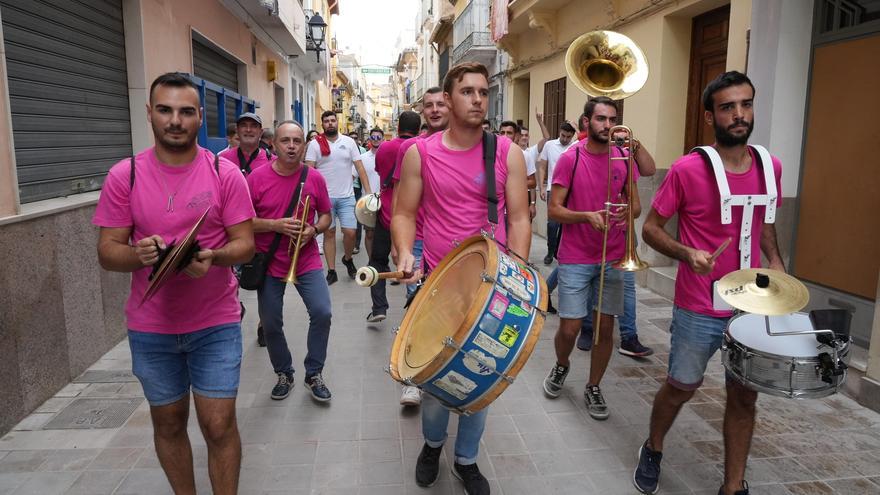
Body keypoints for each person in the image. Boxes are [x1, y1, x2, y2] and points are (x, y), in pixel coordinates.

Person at [93, 73, 255, 494]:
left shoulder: (226, 173)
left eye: (186, 111)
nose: (175, 120)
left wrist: (213, 257)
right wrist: (138, 254)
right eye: (165, 110)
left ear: (201, 117)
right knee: (167, 423)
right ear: (150, 114)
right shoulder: (123, 176)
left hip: (215, 323)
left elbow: (246, 245)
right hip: (151, 328)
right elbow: (107, 251)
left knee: (218, 425)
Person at [633, 71, 783, 495]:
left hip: (750, 307)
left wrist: (776, 264)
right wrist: (686, 253)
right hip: (699, 305)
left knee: (744, 396)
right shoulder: (687, 169)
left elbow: (766, 226)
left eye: (745, 104)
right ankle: (654, 445)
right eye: (727, 107)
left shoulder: (771, 167)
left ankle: (733, 486)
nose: (739, 114)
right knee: (682, 387)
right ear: (709, 116)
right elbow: (651, 229)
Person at [394, 62, 530, 495]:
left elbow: (521, 216)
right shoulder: (421, 153)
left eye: (483, 92)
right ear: (448, 100)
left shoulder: (506, 151)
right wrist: (402, 253)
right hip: (438, 283)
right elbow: (404, 213)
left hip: (493, 288)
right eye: (467, 91)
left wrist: (518, 275)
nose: (477, 99)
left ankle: (467, 459)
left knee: (483, 372)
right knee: (435, 381)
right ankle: (433, 444)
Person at [541, 96, 649, 420]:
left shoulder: (623, 157)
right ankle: (562, 365)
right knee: (571, 329)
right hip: (575, 256)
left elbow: (638, 207)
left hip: (614, 255)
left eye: (612, 119)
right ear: (587, 123)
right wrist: (587, 216)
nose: (607, 125)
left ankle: (593, 385)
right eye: (601, 119)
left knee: (605, 329)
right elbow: (554, 209)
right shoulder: (570, 158)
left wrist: (621, 213)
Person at [249, 120, 334, 402]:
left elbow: (325, 215)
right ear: (273, 144)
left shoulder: (315, 178)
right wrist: (274, 225)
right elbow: (243, 222)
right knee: (271, 323)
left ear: (304, 145)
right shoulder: (256, 179)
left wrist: (315, 230)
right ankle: (284, 372)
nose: (292, 146)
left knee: (322, 312)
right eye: (286, 140)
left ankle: (314, 372)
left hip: (305, 257)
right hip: (271, 261)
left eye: (297, 141)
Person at [392, 87, 450, 407]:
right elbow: (401, 205)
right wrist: (400, 248)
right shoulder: (413, 148)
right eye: (429, 105)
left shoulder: (467, 148)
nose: (435, 109)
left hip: (457, 244)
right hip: (419, 239)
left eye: (441, 103)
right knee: (416, 307)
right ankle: (412, 379)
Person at [305, 111, 373, 284]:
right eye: (326, 121)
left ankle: (348, 259)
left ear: (337, 122)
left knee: (350, 232)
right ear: (322, 124)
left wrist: (369, 192)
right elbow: (309, 172)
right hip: (324, 199)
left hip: (347, 197)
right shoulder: (314, 144)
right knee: (329, 234)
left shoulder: (349, 142)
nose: (330, 123)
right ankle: (331, 270)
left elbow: (360, 168)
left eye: (333, 120)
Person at [366, 112, 421, 325]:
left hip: (387, 215)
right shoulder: (421, 146)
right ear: (418, 128)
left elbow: (381, 172)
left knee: (377, 261)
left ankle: (379, 307)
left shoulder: (385, 148)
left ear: (398, 127)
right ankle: (416, 314)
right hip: (412, 218)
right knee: (414, 264)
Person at [536, 121, 578, 264]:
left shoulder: (575, 146)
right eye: (563, 135)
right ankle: (550, 250)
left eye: (568, 136)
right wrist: (541, 186)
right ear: (559, 131)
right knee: (552, 224)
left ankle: (559, 252)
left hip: (571, 191)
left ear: (572, 135)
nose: (565, 139)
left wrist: (578, 129)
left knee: (565, 224)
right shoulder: (550, 145)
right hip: (552, 189)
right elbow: (542, 166)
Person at [499, 120, 537, 221]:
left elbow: (533, 182)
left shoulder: (525, 155)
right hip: (497, 211)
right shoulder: (491, 155)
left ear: (516, 136)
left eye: (509, 133)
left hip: (517, 210)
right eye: (502, 133)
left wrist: (512, 184)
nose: (505, 136)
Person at [354, 127, 384, 259]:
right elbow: (351, 176)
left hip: (386, 201)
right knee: (370, 234)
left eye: (378, 137)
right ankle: (372, 262)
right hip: (368, 202)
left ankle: (382, 262)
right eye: (373, 137)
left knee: (387, 235)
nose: (376, 139)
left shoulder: (388, 156)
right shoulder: (362, 158)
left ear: (382, 139)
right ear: (369, 139)